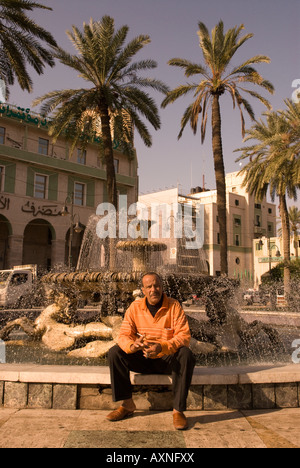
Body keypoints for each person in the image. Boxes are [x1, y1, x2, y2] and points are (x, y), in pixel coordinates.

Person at [107, 272, 196, 430]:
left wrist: (162, 347)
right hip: (142, 357)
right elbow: (123, 335)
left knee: (186, 354)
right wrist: (132, 346)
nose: (153, 289)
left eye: (156, 285)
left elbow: (184, 336)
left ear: (161, 287)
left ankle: (178, 411)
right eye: (149, 286)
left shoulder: (174, 306)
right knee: (115, 352)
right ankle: (127, 404)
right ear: (143, 290)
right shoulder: (135, 307)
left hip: (167, 358)